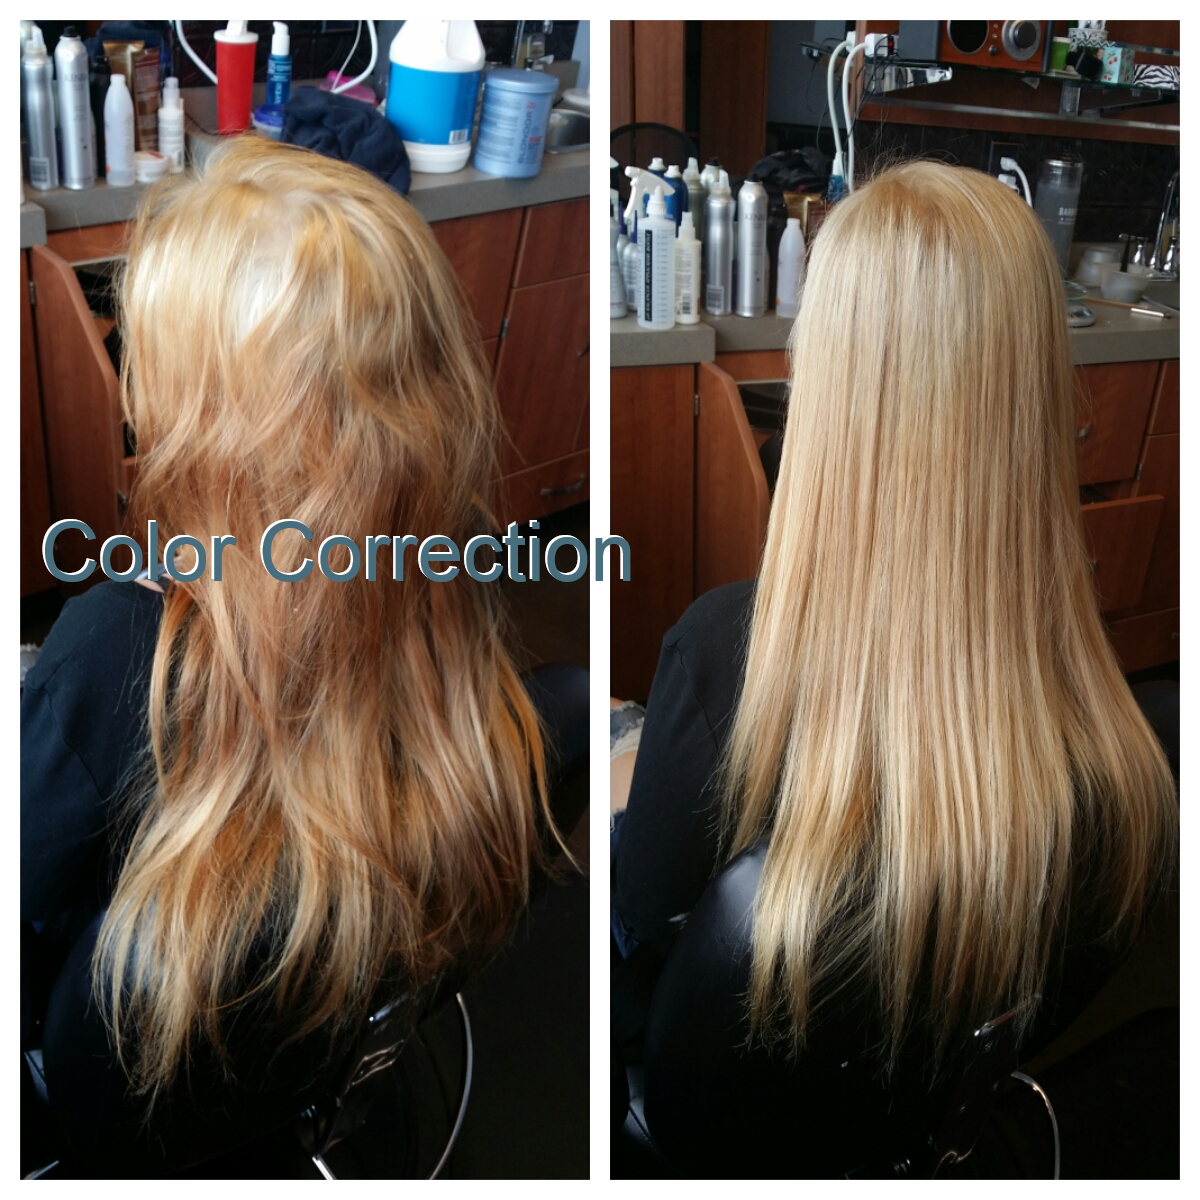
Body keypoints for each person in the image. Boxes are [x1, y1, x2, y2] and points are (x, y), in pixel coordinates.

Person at [611, 161, 1178, 1171]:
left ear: (828, 381)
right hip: (939, 1121)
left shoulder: (715, 659)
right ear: (1036, 388)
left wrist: (632, 770)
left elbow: (641, 956)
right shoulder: (1128, 745)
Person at [22, 138, 571, 1169]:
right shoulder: (451, 589)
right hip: (328, 1056)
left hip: (138, 1108)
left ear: (197, 422)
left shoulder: (112, 656)